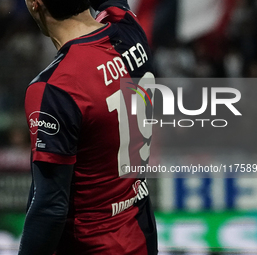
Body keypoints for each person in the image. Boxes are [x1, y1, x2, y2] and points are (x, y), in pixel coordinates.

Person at [18, 0, 158, 254]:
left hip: (90, 246)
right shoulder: (129, 28)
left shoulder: (55, 88)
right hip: (141, 237)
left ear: (34, 4)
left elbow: (50, 207)